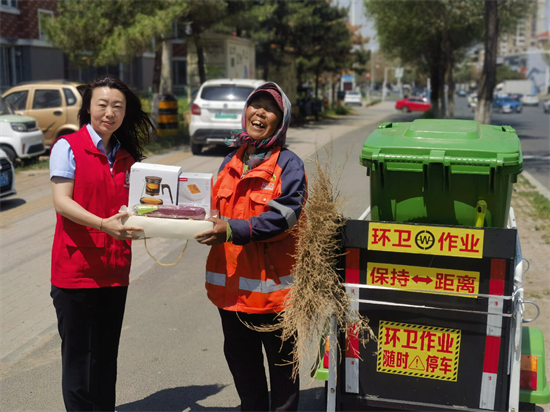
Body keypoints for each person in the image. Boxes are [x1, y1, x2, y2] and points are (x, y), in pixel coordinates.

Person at [195, 82, 307, 412]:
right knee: (243, 368)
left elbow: (285, 217)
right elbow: (211, 209)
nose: (259, 112)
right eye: (254, 104)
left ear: (281, 120)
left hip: (273, 295)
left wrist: (232, 229)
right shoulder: (230, 160)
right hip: (230, 293)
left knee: (283, 370)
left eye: (268, 107)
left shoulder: (288, 164)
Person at [49, 75, 153, 412]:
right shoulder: (68, 147)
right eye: (103, 105)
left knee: (106, 359)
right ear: (88, 108)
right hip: (75, 271)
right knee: (80, 363)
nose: (110, 112)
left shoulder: (128, 159)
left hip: (114, 271)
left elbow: (138, 209)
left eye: (118, 107)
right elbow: (62, 202)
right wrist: (103, 224)